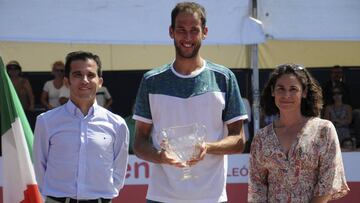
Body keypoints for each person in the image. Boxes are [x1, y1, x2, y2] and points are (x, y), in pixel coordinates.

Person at [133, 2, 247, 202]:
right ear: (171, 32)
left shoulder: (224, 78)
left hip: (211, 197)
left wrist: (207, 147)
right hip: (162, 197)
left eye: (194, 30)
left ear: (205, 32)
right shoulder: (152, 81)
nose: (187, 37)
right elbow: (139, 143)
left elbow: (239, 140)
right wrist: (160, 156)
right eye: (181, 30)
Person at [33, 51, 129, 202]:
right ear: (67, 81)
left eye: (90, 75)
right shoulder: (46, 121)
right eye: (77, 75)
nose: (84, 80)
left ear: (100, 82)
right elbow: (40, 166)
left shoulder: (117, 124)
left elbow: (119, 170)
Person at [248, 63, 349, 202]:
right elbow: (256, 188)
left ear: (304, 92)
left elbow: (327, 181)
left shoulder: (323, 130)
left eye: (293, 89)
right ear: (273, 91)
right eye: (280, 89)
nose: (286, 95)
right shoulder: (261, 137)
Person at [6, 60, 35, 128]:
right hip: (10, 110)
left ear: (19, 70)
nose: (13, 71)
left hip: (23, 110)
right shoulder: (6, 81)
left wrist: (32, 105)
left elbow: (30, 94)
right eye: (10, 68)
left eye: (15, 68)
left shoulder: (24, 81)